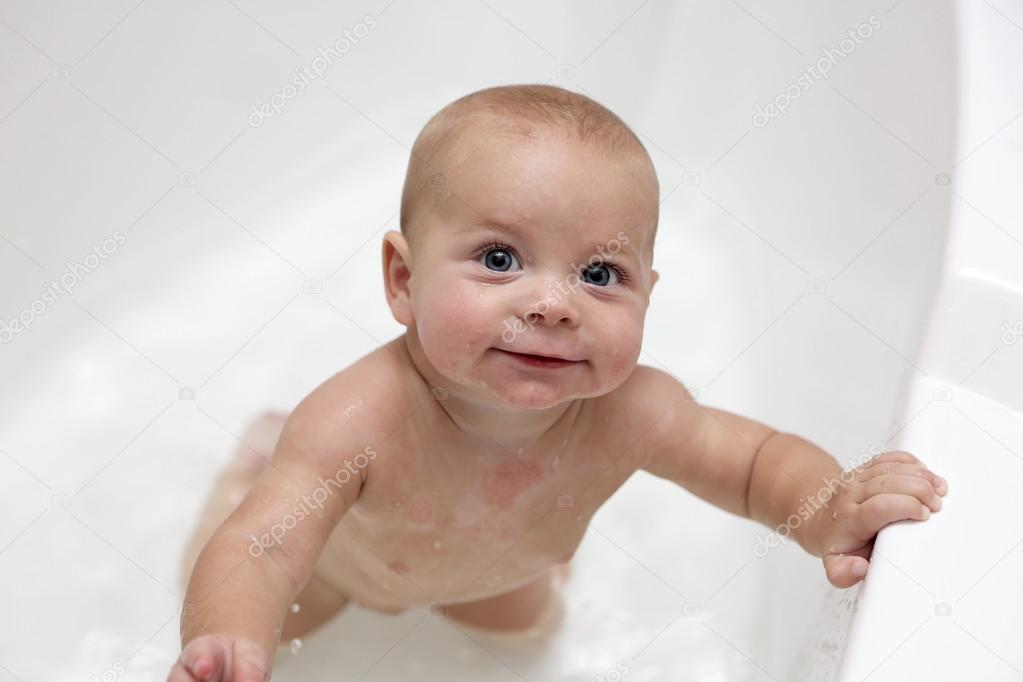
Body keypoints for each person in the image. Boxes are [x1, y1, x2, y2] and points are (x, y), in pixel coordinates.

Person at [168, 83, 948, 681]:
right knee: (263, 613)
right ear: (402, 280)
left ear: (648, 294)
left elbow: (751, 467)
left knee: (526, 643)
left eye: (600, 273)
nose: (551, 305)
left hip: (499, 570)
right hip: (335, 568)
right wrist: (228, 639)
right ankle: (250, 463)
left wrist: (825, 509)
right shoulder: (356, 419)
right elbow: (267, 550)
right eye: (499, 258)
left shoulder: (632, 408)